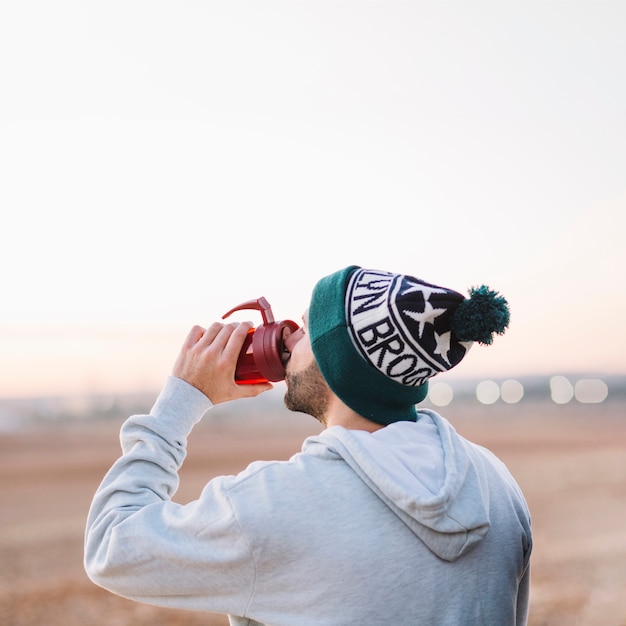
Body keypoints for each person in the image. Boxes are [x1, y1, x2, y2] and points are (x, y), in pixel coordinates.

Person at [84, 265, 532, 626]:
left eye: (307, 331)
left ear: (340, 365)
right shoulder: (494, 482)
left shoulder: (275, 504)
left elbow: (110, 546)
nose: (289, 336)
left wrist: (181, 401)